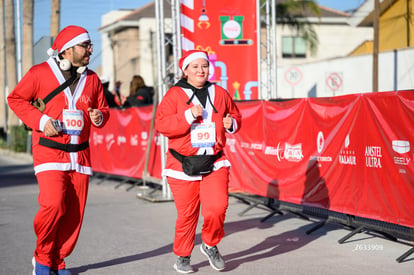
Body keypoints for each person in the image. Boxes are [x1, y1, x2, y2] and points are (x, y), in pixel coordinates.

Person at [7, 25, 110, 275]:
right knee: (53, 205)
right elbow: (16, 99)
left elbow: (103, 110)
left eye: (89, 45)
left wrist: (99, 116)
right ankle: (42, 258)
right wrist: (42, 121)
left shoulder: (93, 78)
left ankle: (58, 260)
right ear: (67, 50)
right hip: (49, 151)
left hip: (81, 154)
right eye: (85, 46)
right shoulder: (39, 73)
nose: (90, 50)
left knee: (74, 214)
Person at [155, 50, 242, 273]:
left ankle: (210, 244)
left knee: (217, 206)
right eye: (195, 67)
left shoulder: (220, 92)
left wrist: (231, 123)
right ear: (185, 71)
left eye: (204, 66)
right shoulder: (174, 95)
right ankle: (183, 255)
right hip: (182, 164)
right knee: (187, 214)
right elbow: (162, 125)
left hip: (214, 161)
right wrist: (187, 116)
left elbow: (236, 116)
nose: (201, 70)